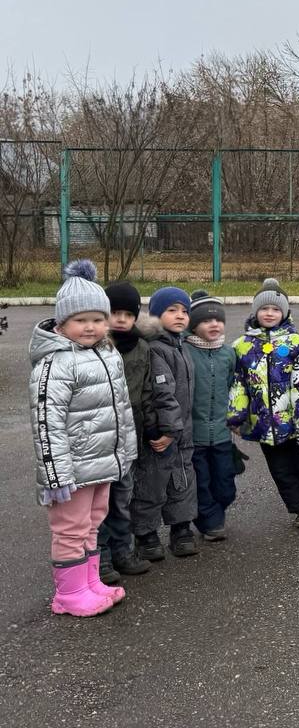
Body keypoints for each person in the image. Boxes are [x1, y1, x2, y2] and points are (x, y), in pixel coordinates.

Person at [30, 261, 137, 617]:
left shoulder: (107, 355)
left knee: (92, 523)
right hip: (71, 471)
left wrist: (125, 453)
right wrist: (56, 476)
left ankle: (90, 582)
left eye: (97, 319)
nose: (90, 327)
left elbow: (121, 409)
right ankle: (70, 593)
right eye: (80, 320)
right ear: (61, 324)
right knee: (70, 529)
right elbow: (47, 423)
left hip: (101, 463)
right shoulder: (55, 363)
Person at [228, 279, 299, 527]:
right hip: (264, 423)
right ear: (255, 311)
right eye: (264, 308)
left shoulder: (294, 342)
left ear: (285, 313)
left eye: (276, 309)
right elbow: (239, 384)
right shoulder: (242, 346)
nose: (269, 313)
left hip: (294, 420)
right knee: (280, 469)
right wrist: (237, 415)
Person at [134, 285, 198, 559]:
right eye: (172, 311)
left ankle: (181, 529)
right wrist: (170, 429)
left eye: (184, 311)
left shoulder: (180, 345)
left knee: (183, 480)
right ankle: (145, 535)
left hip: (182, 432)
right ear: (157, 315)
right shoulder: (156, 349)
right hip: (162, 434)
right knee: (152, 484)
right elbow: (162, 393)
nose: (180, 316)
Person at [95, 281, 153, 582]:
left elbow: (147, 391)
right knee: (99, 505)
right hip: (101, 440)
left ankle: (123, 552)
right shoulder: (97, 348)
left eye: (127, 314)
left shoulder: (143, 347)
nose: (120, 319)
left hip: (130, 437)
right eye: (114, 312)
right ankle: (101, 559)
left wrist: (152, 426)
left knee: (123, 499)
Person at [185, 291, 237, 542]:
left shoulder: (228, 353)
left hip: (221, 433)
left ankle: (216, 512)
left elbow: (232, 387)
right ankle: (209, 522)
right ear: (193, 325)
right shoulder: (184, 351)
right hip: (194, 436)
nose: (214, 324)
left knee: (225, 484)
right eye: (206, 321)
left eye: (218, 320)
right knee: (201, 482)